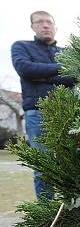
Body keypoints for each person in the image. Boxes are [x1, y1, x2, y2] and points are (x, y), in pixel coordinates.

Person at [11, 11, 74, 199]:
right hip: (38, 114)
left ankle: (71, 212)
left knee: (72, 164)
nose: (45, 25)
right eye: (39, 22)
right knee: (43, 167)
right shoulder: (21, 47)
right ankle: (47, 214)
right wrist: (59, 72)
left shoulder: (65, 52)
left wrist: (42, 75)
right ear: (32, 26)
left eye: (49, 22)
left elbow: (74, 76)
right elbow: (25, 69)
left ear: (55, 27)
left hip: (67, 113)